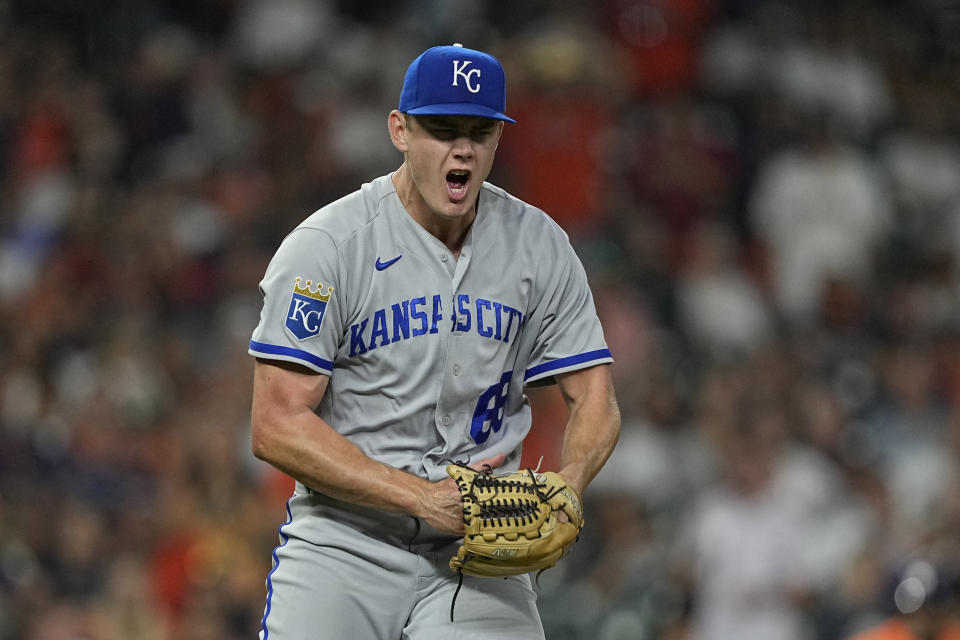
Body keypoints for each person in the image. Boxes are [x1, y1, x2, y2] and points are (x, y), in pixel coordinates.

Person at [246, 43, 621, 639]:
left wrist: (570, 485)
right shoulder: (331, 245)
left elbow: (594, 393)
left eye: (480, 131)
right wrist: (421, 498)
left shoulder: (539, 245)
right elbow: (276, 425)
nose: (463, 148)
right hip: (347, 541)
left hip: (478, 551)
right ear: (399, 129)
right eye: (441, 129)